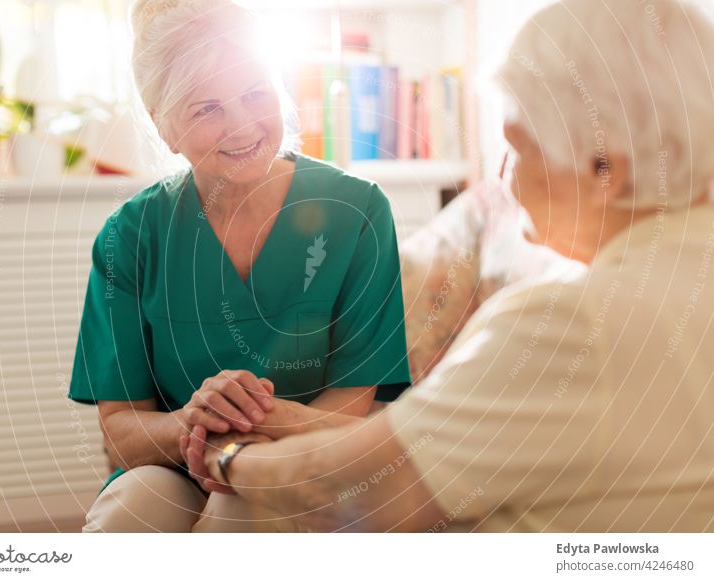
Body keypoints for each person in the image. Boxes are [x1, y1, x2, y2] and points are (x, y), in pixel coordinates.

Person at [184, 0, 714, 532]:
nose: (502, 176)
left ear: (607, 171)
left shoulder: (571, 323)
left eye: (517, 148)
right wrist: (297, 422)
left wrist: (227, 453)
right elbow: (451, 433)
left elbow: (348, 493)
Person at [68, 0, 411, 532]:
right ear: (165, 128)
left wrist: (260, 426)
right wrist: (193, 421)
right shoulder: (130, 235)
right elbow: (120, 429)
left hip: (304, 460)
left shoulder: (357, 211)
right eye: (207, 108)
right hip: (176, 464)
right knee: (129, 515)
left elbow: (357, 401)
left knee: (240, 507)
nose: (243, 125)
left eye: (256, 94)